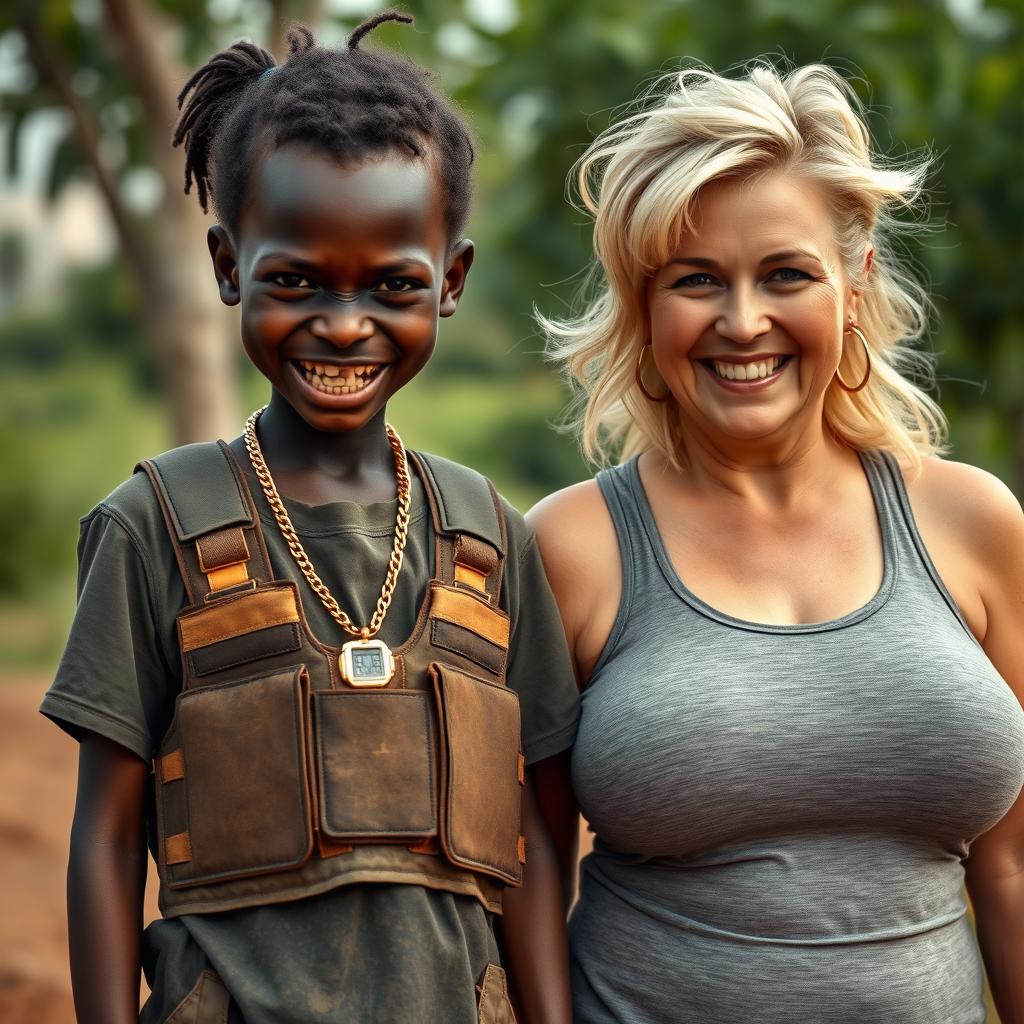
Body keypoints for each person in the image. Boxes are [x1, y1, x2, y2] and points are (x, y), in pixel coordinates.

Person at [41, 15, 579, 1024]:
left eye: (392, 285)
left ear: (449, 282)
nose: (342, 322)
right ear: (228, 264)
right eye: (294, 279)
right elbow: (107, 842)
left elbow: (539, 844)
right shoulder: (150, 526)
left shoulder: (495, 539)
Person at [529, 61, 1024, 1023]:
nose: (743, 320)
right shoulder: (571, 547)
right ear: (645, 304)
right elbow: (530, 866)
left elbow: (1012, 866)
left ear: (855, 281)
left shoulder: (977, 523)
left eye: (786, 273)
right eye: (696, 280)